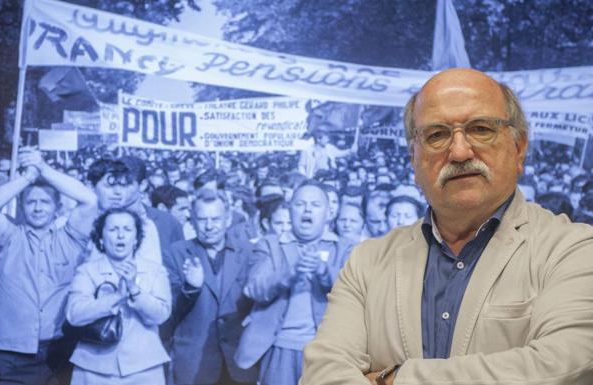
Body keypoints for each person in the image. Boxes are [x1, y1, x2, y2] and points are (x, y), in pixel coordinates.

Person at [300, 68, 593, 385]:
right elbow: (322, 374)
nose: (459, 151)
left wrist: (395, 378)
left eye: (480, 129)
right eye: (436, 135)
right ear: (414, 160)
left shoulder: (574, 250)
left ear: (519, 147)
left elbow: (565, 366)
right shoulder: (367, 262)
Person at [0, 146, 97, 385]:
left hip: (59, 351)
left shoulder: (71, 238)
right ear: (21, 206)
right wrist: (27, 177)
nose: (38, 207)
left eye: (45, 202)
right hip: (10, 355)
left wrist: (43, 168)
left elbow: (89, 199)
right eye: (31, 201)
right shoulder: (8, 236)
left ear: (57, 208)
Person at [235, 181, 354, 385]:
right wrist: (289, 274)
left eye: (315, 205)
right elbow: (254, 289)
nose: (307, 210)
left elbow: (357, 292)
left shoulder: (344, 248)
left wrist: (325, 273)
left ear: (329, 213)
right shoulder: (270, 245)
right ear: (290, 211)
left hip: (330, 352)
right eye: (300, 204)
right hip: (280, 348)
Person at [66, 208, 171, 384]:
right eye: (113, 230)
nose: (120, 235)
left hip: (144, 369)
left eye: (127, 230)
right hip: (93, 368)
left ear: (136, 239)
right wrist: (116, 297)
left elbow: (161, 315)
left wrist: (134, 290)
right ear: (100, 237)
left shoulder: (155, 271)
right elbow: (74, 315)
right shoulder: (86, 271)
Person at [165, 189, 258, 385]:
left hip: (238, 362)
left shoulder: (249, 253)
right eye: (202, 219)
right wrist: (191, 288)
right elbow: (169, 313)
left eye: (215, 219)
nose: (209, 226)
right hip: (195, 364)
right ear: (192, 220)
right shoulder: (176, 253)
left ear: (228, 219)